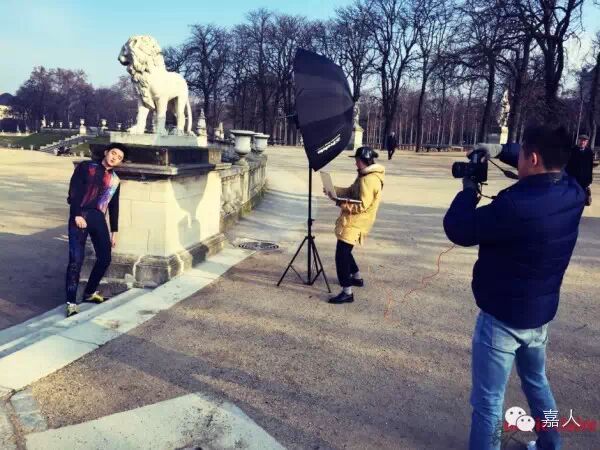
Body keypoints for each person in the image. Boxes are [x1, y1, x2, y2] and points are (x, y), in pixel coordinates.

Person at [443, 126, 585, 450]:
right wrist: (499, 151)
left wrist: (469, 190)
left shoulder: (515, 206)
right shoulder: (573, 191)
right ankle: (551, 444)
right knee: (537, 383)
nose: (518, 156)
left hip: (502, 320)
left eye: (521, 154)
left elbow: (458, 229)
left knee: (489, 402)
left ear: (532, 159)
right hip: (540, 315)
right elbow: (539, 161)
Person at [65, 143, 126, 317]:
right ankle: (71, 302)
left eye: (119, 158)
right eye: (113, 153)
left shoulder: (115, 180)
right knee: (76, 260)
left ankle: (89, 292)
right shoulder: (87, 167)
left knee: (105, 258)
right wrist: (76, 214)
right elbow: (74, 191)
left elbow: (114, 206)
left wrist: (114, 231)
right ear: (106, 152)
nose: (115, 158)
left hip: (98, 218)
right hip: (80, 215)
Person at [325, 146, 385, 304]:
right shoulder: (364, 175)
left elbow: (361, 206)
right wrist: (334, 190)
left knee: (341, 255)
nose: (356, 163)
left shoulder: (369, 180)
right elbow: (351, 191)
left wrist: (339, 203)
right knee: (346, 251)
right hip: (354, 221)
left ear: (365, 160)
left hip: (357, 222)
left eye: (357, 160)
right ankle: (356, 278)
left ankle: (347, 292)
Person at [565, 133, 594, 206]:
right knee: (573, 194)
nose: (582, 142)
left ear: (587, 142)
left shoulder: (589, 152)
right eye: (581, 140)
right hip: (573, 178)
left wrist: (590, 180)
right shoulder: (572, 151)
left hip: (584, 179)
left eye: (584, 141)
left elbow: (590, 166)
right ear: (578, 141)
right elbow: (567, 165)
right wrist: (567, 177)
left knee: (582, 196)